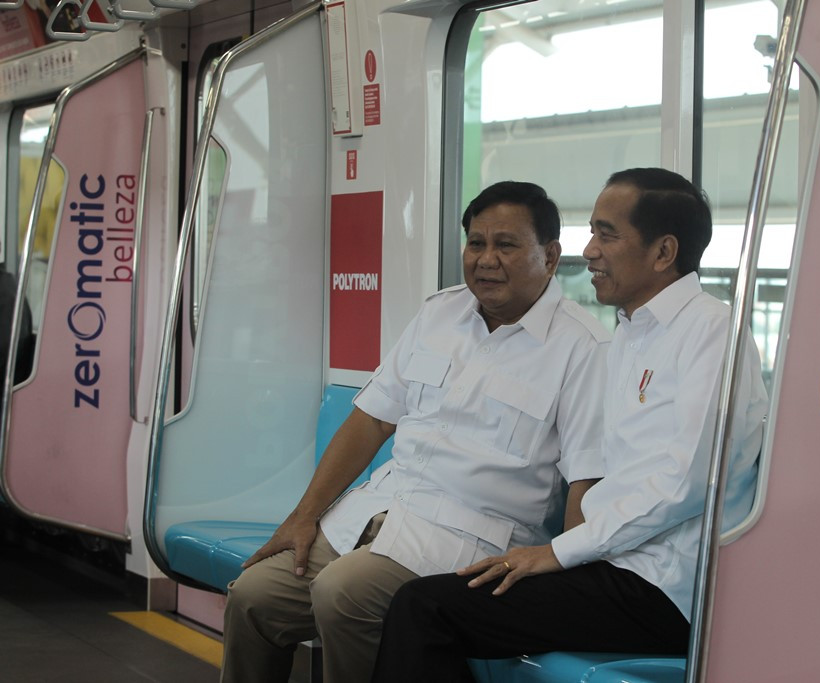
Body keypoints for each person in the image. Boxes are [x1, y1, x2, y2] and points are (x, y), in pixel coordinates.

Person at [370, 168, 770, 682]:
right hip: (616, 566)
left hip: (665, 588)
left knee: (427, 608)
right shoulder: (631, 331)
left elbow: (687, 484)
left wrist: (558, 552)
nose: (590, 251)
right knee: (441, 601)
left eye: (606, 234)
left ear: (663, 252)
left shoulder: (711, 333)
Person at [220, 181, 610, 683]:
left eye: (506, 245)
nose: (486, 259)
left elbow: (586, 479)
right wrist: (303, 517)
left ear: (551, 256)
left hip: (472, 541)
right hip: (376, 513)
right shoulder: (439, 313)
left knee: (344, 593)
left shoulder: (583, 350)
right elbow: (372, 419)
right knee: (252, 597)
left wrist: (562, 591)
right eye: (476, 243)